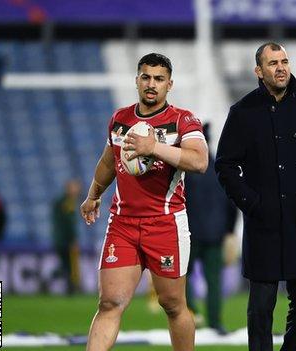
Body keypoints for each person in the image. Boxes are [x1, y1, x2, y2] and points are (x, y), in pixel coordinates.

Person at [215, 42, 296, 351]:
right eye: (272, 63)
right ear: (259, 71)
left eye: (284, 60)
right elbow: (225, 165)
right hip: (264, 224)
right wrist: (251, 204)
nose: (281, 67)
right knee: (260, 305)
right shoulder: (242, 112)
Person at [79, 53, 208, 351]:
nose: (152, 84)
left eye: (159, 79)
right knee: (109, 302)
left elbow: (199, 161)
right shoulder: (119, 119)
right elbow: (108, 161)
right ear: (137, 80)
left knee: (173, 305)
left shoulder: (182, 120)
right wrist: (93, 195)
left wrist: (155, 147)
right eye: (146, 77)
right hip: (122, 224)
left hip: (165, 224)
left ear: (169, 84)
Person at [184, 122, 238, 335]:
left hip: (190, 233)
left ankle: (192, 314)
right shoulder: (221, 169)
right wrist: (230, 231)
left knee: (182, 277)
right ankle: (215, 323)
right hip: (216, 233)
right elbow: (233, 202)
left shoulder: (187, 169)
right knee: (214, 281)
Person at [52, 179, 82, 294]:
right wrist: (73, 239)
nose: (77, 190)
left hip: (60, 239)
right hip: (65, 240)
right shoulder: (66, 203)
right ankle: (69, 288)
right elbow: (68, 223)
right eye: (75, 187)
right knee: (68, 265)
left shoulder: (63, 202)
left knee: (66, 265)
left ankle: (69, 287)